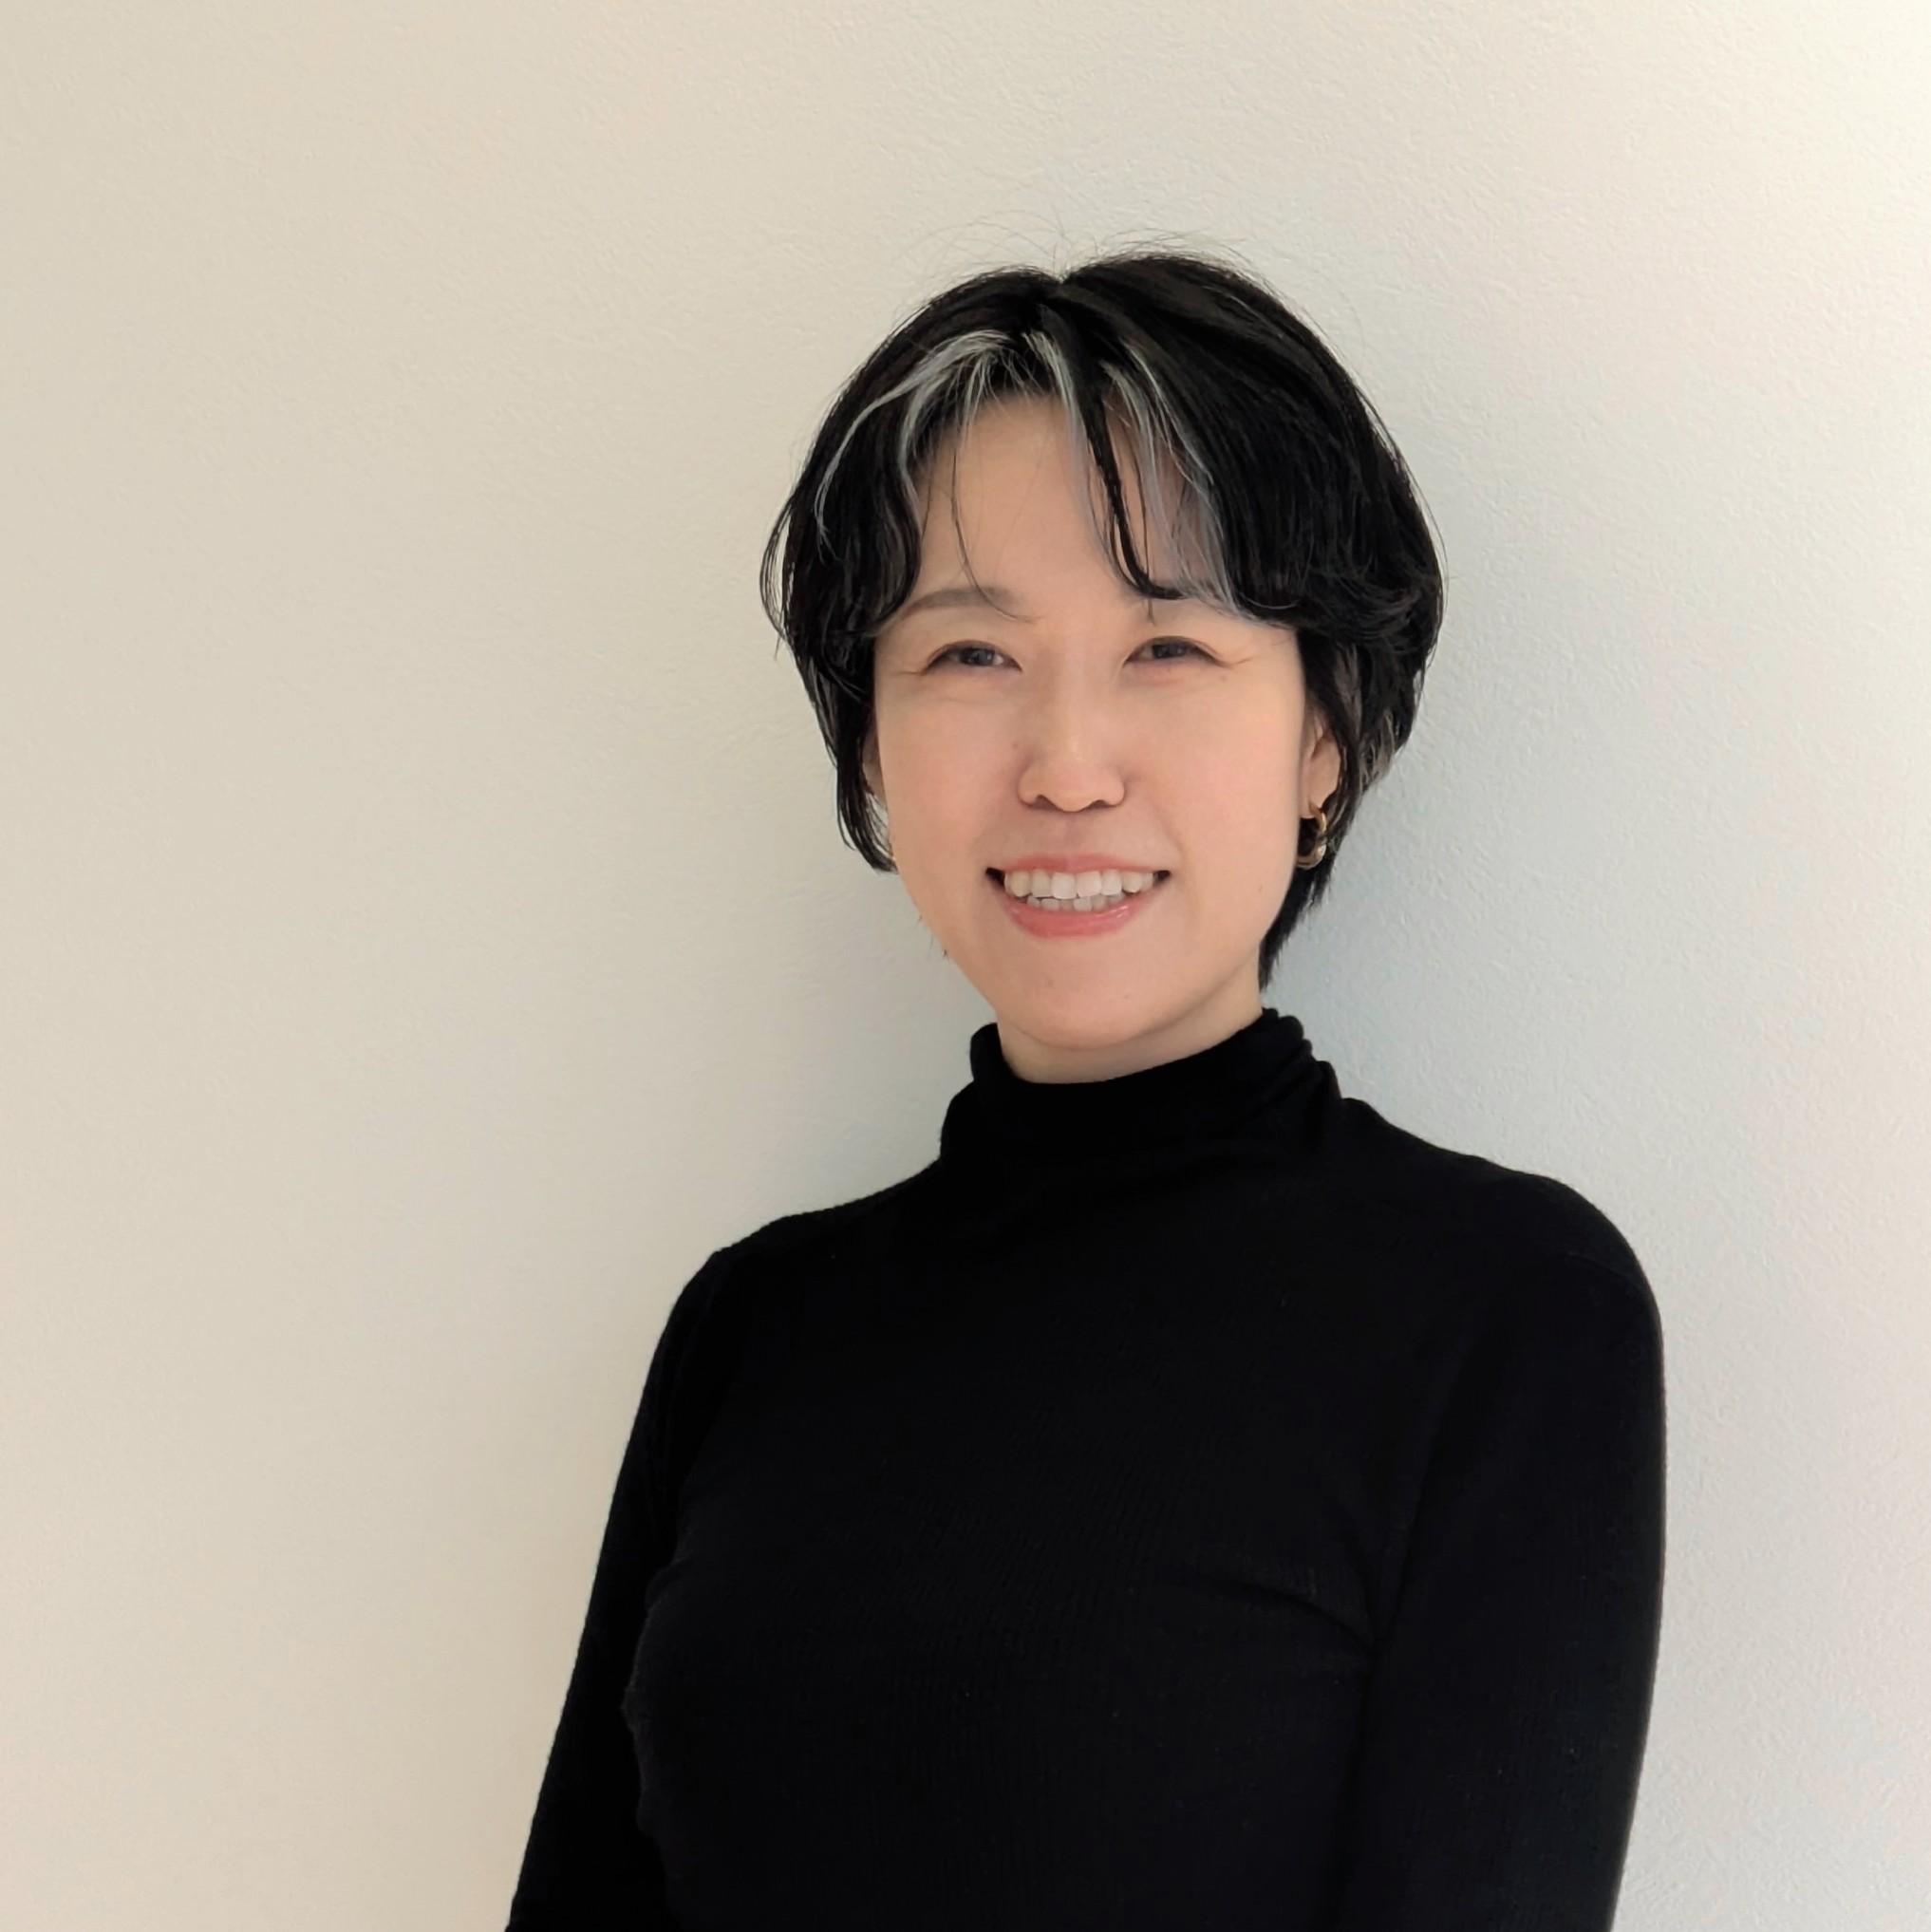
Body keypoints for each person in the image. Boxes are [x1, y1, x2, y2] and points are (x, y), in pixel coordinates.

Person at [505, 245, 1666, 1930]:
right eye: (969, 656)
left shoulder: (1504, 1308)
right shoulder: (750, 1328)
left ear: (1323, 736)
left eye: (1168, 648)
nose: (1063, 767)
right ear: (873, 745)